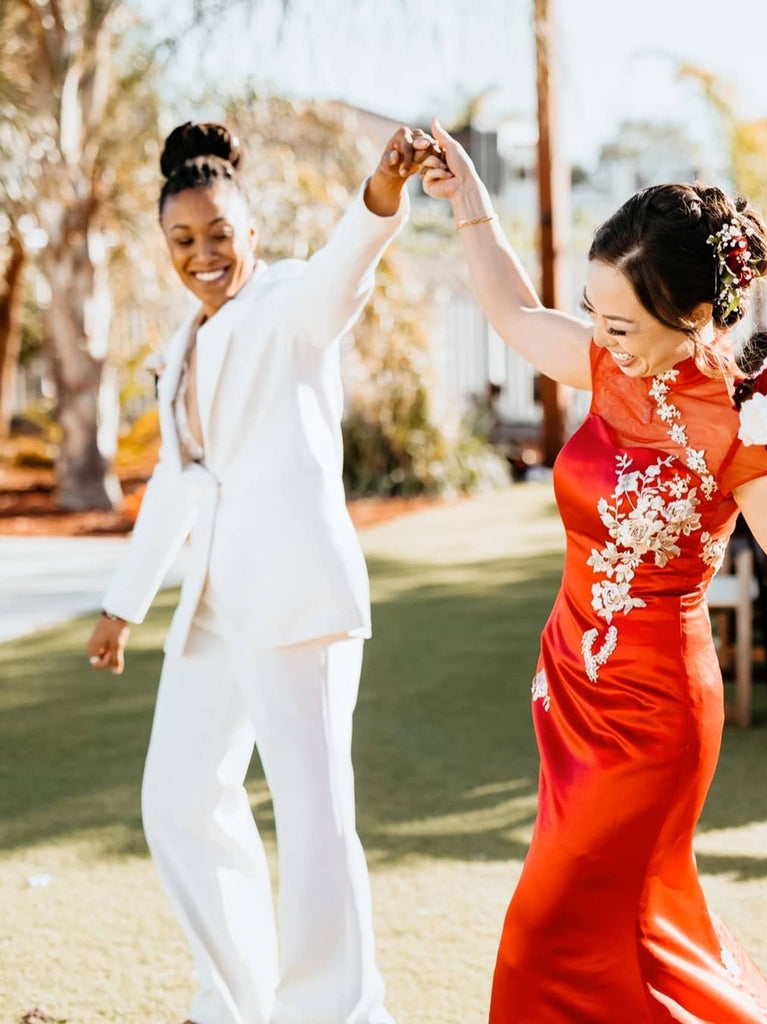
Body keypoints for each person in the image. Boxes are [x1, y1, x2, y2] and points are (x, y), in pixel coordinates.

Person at [422, 119, 767, 1023]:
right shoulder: (607, 367)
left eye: (620, 322)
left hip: (653, 718)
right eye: (594, 314)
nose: (599, 335)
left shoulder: (744, 423)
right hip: (567, 687)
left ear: (696, 316)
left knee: (544, 930)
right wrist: (472, 205)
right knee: (623, 941)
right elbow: (515, 317)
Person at [85, 120, 443, 1024]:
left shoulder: (287, 302)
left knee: (315, 820)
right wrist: (122, 604)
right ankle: (236, 998)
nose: (202, 254)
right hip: (213, 603)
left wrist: (382, 191)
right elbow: (180, 477)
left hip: (297, 594)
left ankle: (338, 1013)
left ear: (251, 233)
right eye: (182, 239)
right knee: (176, 797)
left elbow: (340, 273)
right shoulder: (187, 338)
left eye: (219, 235)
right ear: (165, 243)